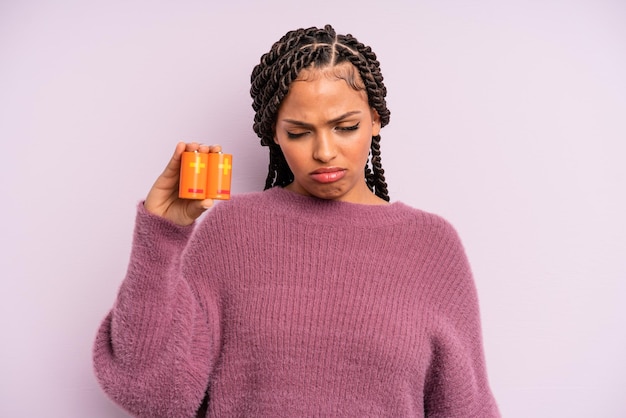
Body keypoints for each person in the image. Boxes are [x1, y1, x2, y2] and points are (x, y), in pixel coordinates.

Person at [93, 24, 500, 417]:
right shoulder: (232, 231)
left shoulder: (430, 244)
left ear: (375, 120)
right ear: (274, 133)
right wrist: (162, 234)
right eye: (300, 132)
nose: (324, 151)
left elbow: (467, 407)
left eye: (346, 127)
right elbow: (150, 391)